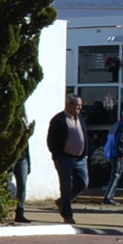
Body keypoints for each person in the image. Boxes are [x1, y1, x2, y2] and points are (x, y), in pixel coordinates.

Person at [46, 93, 89, 224]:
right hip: (65, 158)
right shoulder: (59, 119)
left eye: (81, 105)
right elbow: (51, 140)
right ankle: (68, 215)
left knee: (83, 183)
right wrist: (58, 155)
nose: (80, 108)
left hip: (80, 158)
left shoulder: (80, 118)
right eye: (77, 105)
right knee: (66, 186)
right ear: (69, 105)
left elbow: (84, 135)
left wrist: (85, 153)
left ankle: (62, 202)